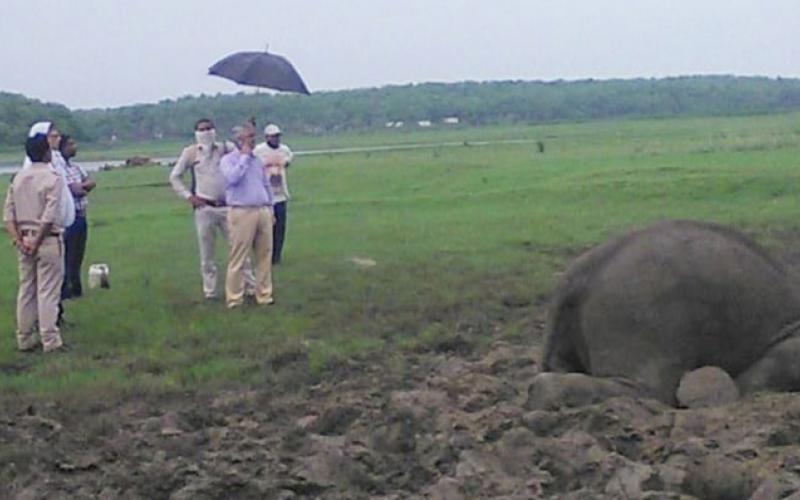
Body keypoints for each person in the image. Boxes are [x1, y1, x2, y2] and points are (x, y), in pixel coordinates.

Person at [169, 118, 254, 299]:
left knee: (239, 248)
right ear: (196, 132)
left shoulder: (226, 148)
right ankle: (210, 291)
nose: (206, 132)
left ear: (215, 130)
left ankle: (249, 286)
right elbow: (175, 177)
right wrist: (188, 196)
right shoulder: (191, 153)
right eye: (202, 129)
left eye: (209, 128)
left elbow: (245, 160)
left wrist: (247, 137)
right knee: (206, 253)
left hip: (228, 207)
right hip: (204, 209)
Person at [3, 131, 66, 352]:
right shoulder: (52, 178)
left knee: (26, 289)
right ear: (47, 152)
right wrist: (37, 241)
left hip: (23, 237)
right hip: (46, 240)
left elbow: (8, 216)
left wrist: (19, 241)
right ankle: (50, 339)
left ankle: (24, 337)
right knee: (48, 291)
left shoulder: (18, 178)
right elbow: (49, 217)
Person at [220, 123, 275, 309]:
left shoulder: (258, 161)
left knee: (265, 254)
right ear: (239, 140)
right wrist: (243, 157)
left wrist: (270, 208)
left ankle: (264, 294)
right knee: (239, 256)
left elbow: (266, 185)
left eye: (253, 136)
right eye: (249, 137)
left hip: (262, 210)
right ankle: (234, 297)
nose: (253, 140)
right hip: (241, 211)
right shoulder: (228, 160)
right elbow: (233, 178)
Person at [60, 135, 96, 299]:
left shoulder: (75, 167)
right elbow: (76, 190)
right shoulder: (60, 169)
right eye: (70, 144)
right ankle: (65, 289)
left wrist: (81, 186)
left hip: (81, 216)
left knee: (78, 255)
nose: (74, 147)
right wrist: (82, 187)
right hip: (70, 218)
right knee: (68, 254)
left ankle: (76, 287)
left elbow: (90, 182)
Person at [254, 124, 294, 264]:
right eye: (273, 136)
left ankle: (276, 256)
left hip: (280, 194)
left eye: (277, 136)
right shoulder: (259, 150)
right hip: (265, 196)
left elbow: (288, 160)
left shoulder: (285, 150)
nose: (276, 139)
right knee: (266, 228)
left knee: (280, 228)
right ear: (267, 137)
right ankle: (265, 254)